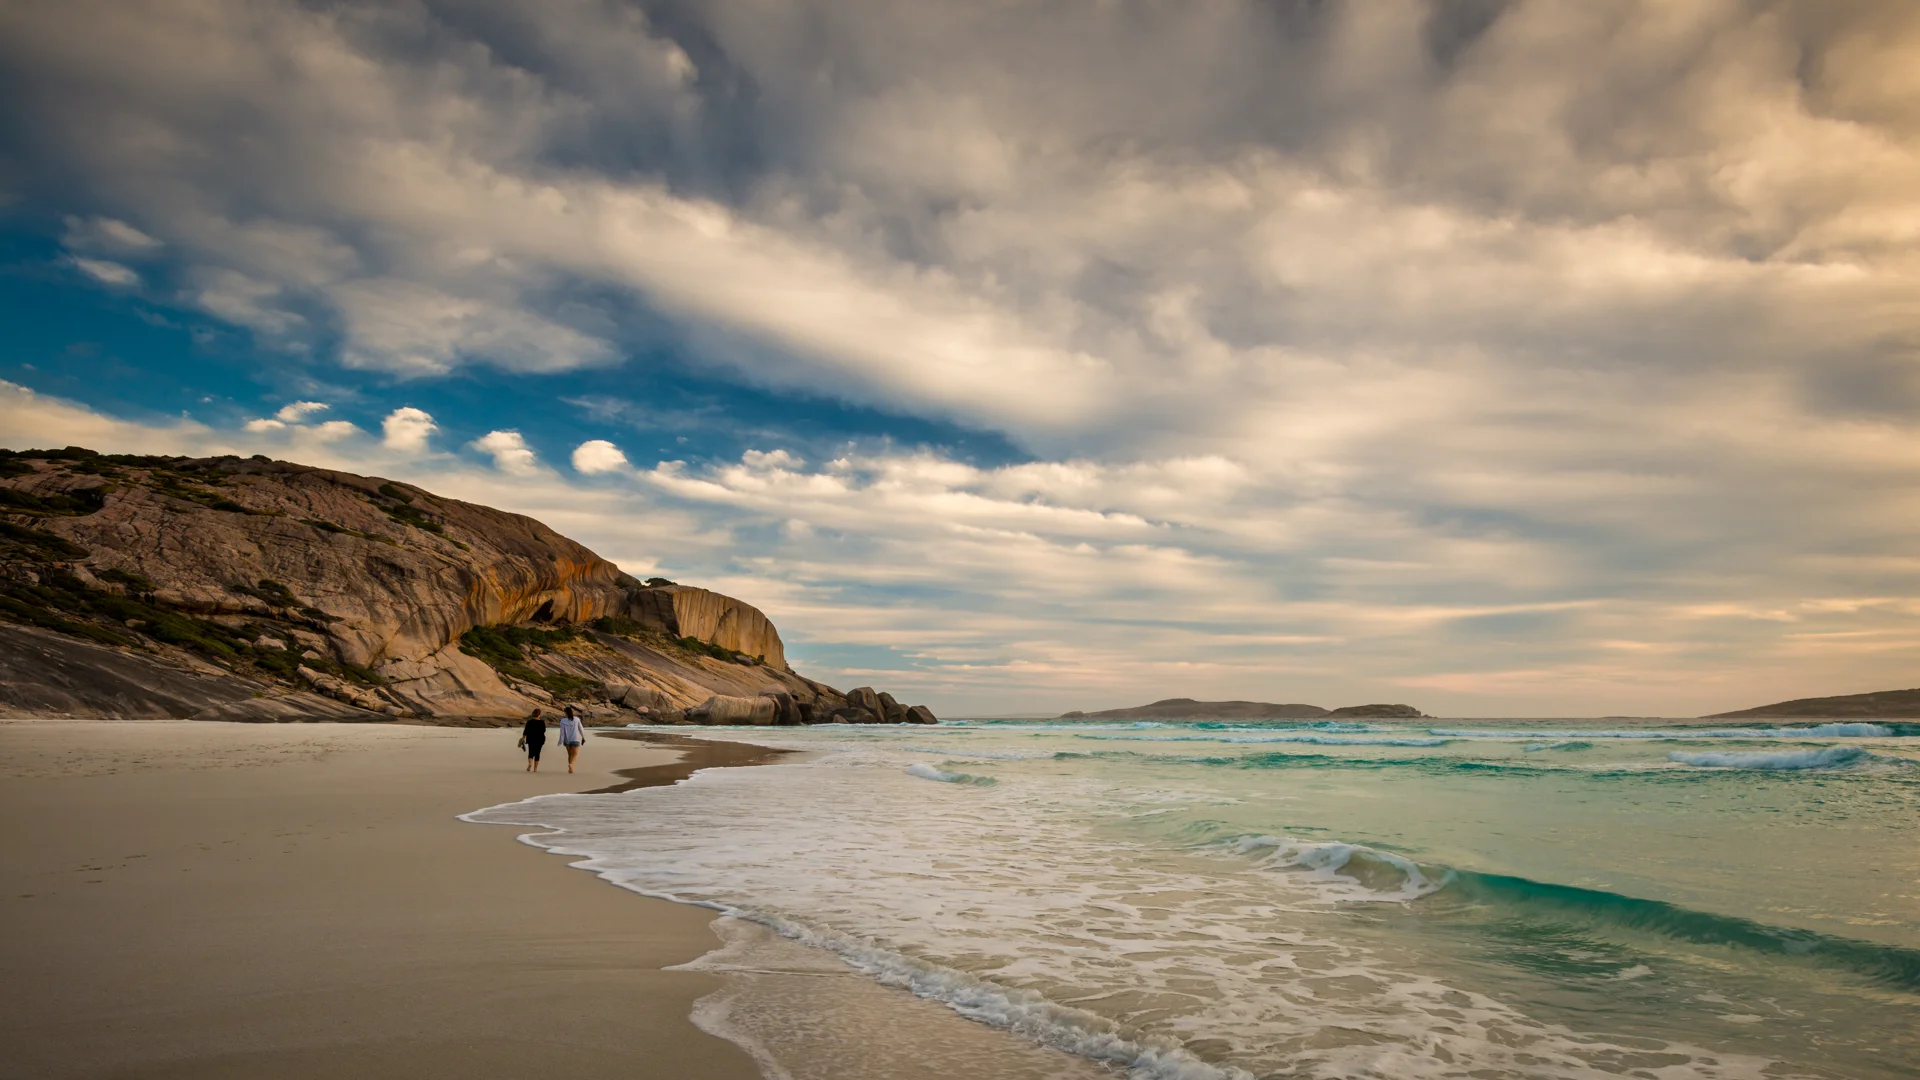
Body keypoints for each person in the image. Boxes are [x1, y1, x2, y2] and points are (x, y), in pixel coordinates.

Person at [558, 704, 588, 774]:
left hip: (567, 740)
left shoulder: (562, 721)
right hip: (575, 739)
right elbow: (581, 729)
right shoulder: (577, 719)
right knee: (574, 755)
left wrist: (560, 741)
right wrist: (583, 737)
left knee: (570, 754)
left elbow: (562, 733)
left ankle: (571, 769)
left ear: (565, 713)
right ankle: (571, 765)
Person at [520, 708, 546, 772]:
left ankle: (530, 764)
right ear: (539, 714)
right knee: (537, 754)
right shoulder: (542, 722)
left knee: (531, 753)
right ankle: (535, 769)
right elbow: (544, 731)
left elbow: (525, 731)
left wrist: (523, 739)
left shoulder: (529, 722)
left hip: (531, 739)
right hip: (540, 739)